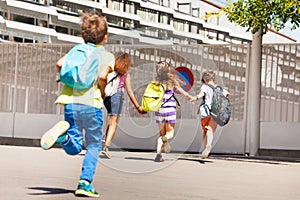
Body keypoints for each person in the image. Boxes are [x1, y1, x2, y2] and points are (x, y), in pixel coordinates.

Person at [40, 12, 115, 197]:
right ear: (105, 37)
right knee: (94, 145)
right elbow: (104, 76)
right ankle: (84, 182)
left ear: (83, 35)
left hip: (70, 103)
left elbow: (59, 64)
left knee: (74, 146)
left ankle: (63, 137)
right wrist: (102, 89)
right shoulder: (106, 55)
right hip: (91, 104)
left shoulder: (76, 50)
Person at [101, 51, 146, 159]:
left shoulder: (109, 70)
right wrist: (138, 107)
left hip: (106, 96)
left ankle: (105, 140)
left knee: (110, 119)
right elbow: (130, 92)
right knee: (114, 122)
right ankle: (106, 145)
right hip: (117, 95)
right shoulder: (125, 74)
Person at [153, 61, 192, 162]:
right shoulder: (172, 80)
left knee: (161, 133)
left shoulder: (155, 81)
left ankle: (158, 154)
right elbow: (183, 92)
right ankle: (164, 140)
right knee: (169, 133)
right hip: (170, 108)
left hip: (159, 109)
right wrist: (191, 98)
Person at [190, 70, 230, 159]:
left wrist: (195, 98)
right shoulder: (219, 88)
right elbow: (227, 94)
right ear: (213, 79)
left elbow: (202, 94)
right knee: (210, 130)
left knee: (205, 130)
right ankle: (208, 145)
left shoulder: (205, 86)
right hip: (215, 112)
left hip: (205, 112)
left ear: (204, 80)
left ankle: (205, 148)